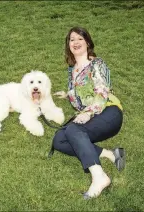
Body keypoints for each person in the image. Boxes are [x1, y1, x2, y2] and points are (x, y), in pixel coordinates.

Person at [52, 26, 125, 199]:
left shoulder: (96, 64)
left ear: (87, 42)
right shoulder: (72, 70)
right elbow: (79, 94)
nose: (76, 42)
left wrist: (88, 113)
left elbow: (101, 92)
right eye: (72, 39)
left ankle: (99, 177)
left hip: (109, 111)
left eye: (80, 38)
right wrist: (67, 94)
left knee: (73, 130)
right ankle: (111, 154)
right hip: (91, 114)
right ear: (68, 44)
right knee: (59, 140)